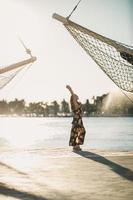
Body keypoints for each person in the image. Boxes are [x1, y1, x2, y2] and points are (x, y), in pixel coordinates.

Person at [66, 85, 86, 151]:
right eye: (75, 95)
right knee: (79, 132)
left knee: (78, 132)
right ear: (73, 98)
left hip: (79, 120)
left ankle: (76, 146)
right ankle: (76, 146)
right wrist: (70, 89)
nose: (76, 95)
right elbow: (73, 96)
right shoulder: (75, 104)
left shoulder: (77, 103)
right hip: (77, 121)